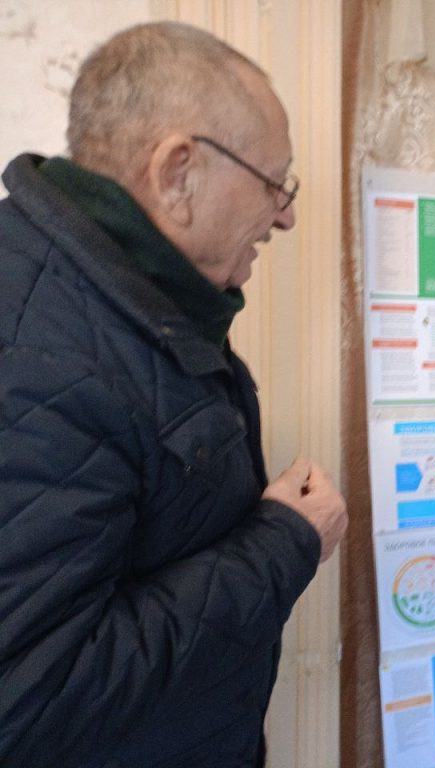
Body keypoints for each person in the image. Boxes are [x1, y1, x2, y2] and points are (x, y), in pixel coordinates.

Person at [0, 22, 348, 767]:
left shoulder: (116, 294)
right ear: (176, 173)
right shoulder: (41, 352)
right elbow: (32, 700)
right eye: (274, 182)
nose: (285, 214)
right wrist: (286, 541)